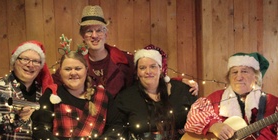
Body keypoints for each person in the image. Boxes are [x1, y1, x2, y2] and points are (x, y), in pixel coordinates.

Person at [31, 48, 121, 140]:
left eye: (78, 68)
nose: (73, 72)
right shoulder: (52, 94)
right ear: (60, 72)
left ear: (86, 70)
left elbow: (117, 124)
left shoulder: (102, 95)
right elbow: (39, 127)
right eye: (68, 69)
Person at [52, 5, 199, 98]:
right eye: (89, 31)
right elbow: (55, 81)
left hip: (121, 121)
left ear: (106, 33)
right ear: (83, 36)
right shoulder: (76, 63)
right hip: (90, 123)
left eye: (99, 30)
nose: (94, 36)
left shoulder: (125, 60)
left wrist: (181, 82)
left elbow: (150, 75)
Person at [114, 47, 197, 140]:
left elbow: (199, 115)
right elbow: (116, 127)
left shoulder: (180, 90)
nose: (148, 71)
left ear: (161, 68)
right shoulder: (126, 97)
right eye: (142, 67)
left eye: (153, 66)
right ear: (137, 73)